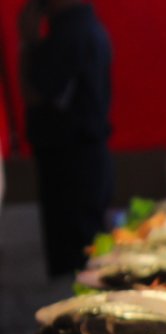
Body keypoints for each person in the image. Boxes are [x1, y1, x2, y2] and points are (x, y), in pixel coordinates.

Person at [19, 0, 113, 278]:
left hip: (72, 166)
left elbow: (35, 94)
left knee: (78, 265)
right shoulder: (86, 28)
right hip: (81, 162)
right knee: (85, 258)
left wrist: (28, 43)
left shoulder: (71, 34)